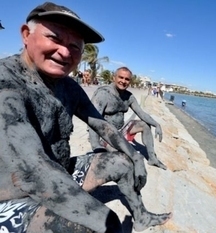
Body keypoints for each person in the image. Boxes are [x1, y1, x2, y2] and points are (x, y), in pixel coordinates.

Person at [0, 2, 171, 233]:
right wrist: (102, 218)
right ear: (26, 35)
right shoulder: (7, 84)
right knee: (89, 225)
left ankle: (140, 216)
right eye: (55, 38)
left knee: (122, 162)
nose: (64, 51)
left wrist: (135, 157)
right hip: (13, 198)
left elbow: (102, 125)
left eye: (74, 46)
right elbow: (32, 170)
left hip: (61, 171)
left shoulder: (68, 86)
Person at [89, 67, 167, 170]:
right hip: (106, 136)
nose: (123, 81)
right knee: (128, 160)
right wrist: (96, 147)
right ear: (114, 78)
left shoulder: (128, 96)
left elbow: (141, 113)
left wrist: (157, 124)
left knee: (145, 125)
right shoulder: (104, 94)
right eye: (121, 77)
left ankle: (152, 158)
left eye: (127, 79)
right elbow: (93, 120)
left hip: (121, 130)